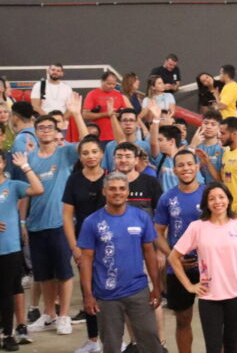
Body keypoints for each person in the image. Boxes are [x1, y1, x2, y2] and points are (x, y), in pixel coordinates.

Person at [77, 172, 164, 353]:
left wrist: (156, 286)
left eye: (122, 188)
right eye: (112, 189)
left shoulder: (141, 217)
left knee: (150, 341)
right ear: (104, 191)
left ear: (128, 191)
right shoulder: (91, 222)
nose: (118, 192)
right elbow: (86, 260)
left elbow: (149, 253)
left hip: (138, 291)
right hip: (106, 296)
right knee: (111, 346)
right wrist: (88, 295)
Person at [168, 182, 237, 353]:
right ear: (206, 203)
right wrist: (189, 286)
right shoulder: (197, 227)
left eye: (221, 197)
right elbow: (173, 257)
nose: (218, 202)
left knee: (232, 346)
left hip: (236, 295)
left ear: (229, 200)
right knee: (213, 347)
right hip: (209, 297)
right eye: (212, 198)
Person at [24, 97, 86, 337]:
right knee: (44, 275)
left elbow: (84, 142)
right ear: (36, 132)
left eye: (50, 127)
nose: (46, 130)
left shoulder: (64, 154)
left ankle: (63, 316)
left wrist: (76, 114)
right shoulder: (29, 159)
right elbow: (25, 194)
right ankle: (48, 314)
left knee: (64, 272)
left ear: (57, 130)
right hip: (36, 224)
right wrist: (23, 222)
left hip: (60, 223)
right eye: (41, 127)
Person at [153, 150, 204, 353]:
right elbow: (157, 231)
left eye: (190, 164)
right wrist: (173, 256)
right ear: (174, 170)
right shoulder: (167, 198)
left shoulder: (209, 193)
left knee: (216, 320)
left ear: (197, 166)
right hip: (178, 269)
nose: (186, 169)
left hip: (209, 266)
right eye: (181, 165)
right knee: (183, 320)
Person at [62, 136, 108, 353]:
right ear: (79, 157)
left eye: (94, 152)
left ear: (101, 154)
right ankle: (92, 339)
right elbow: (67, 215)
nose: (90, 156)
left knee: (111, 290)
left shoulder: (111, 178)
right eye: (85, 153)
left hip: (109, 242)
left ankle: (113, 337)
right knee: (88, 289)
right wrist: (74, 247)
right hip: (84, 245)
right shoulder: (74, 180)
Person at [1, 152, 46, 351]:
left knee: (8, 292)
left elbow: (38, 188)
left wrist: (25, 166)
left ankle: (8, 334)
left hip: (9, 248)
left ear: (3, 163)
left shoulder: (12, 186)